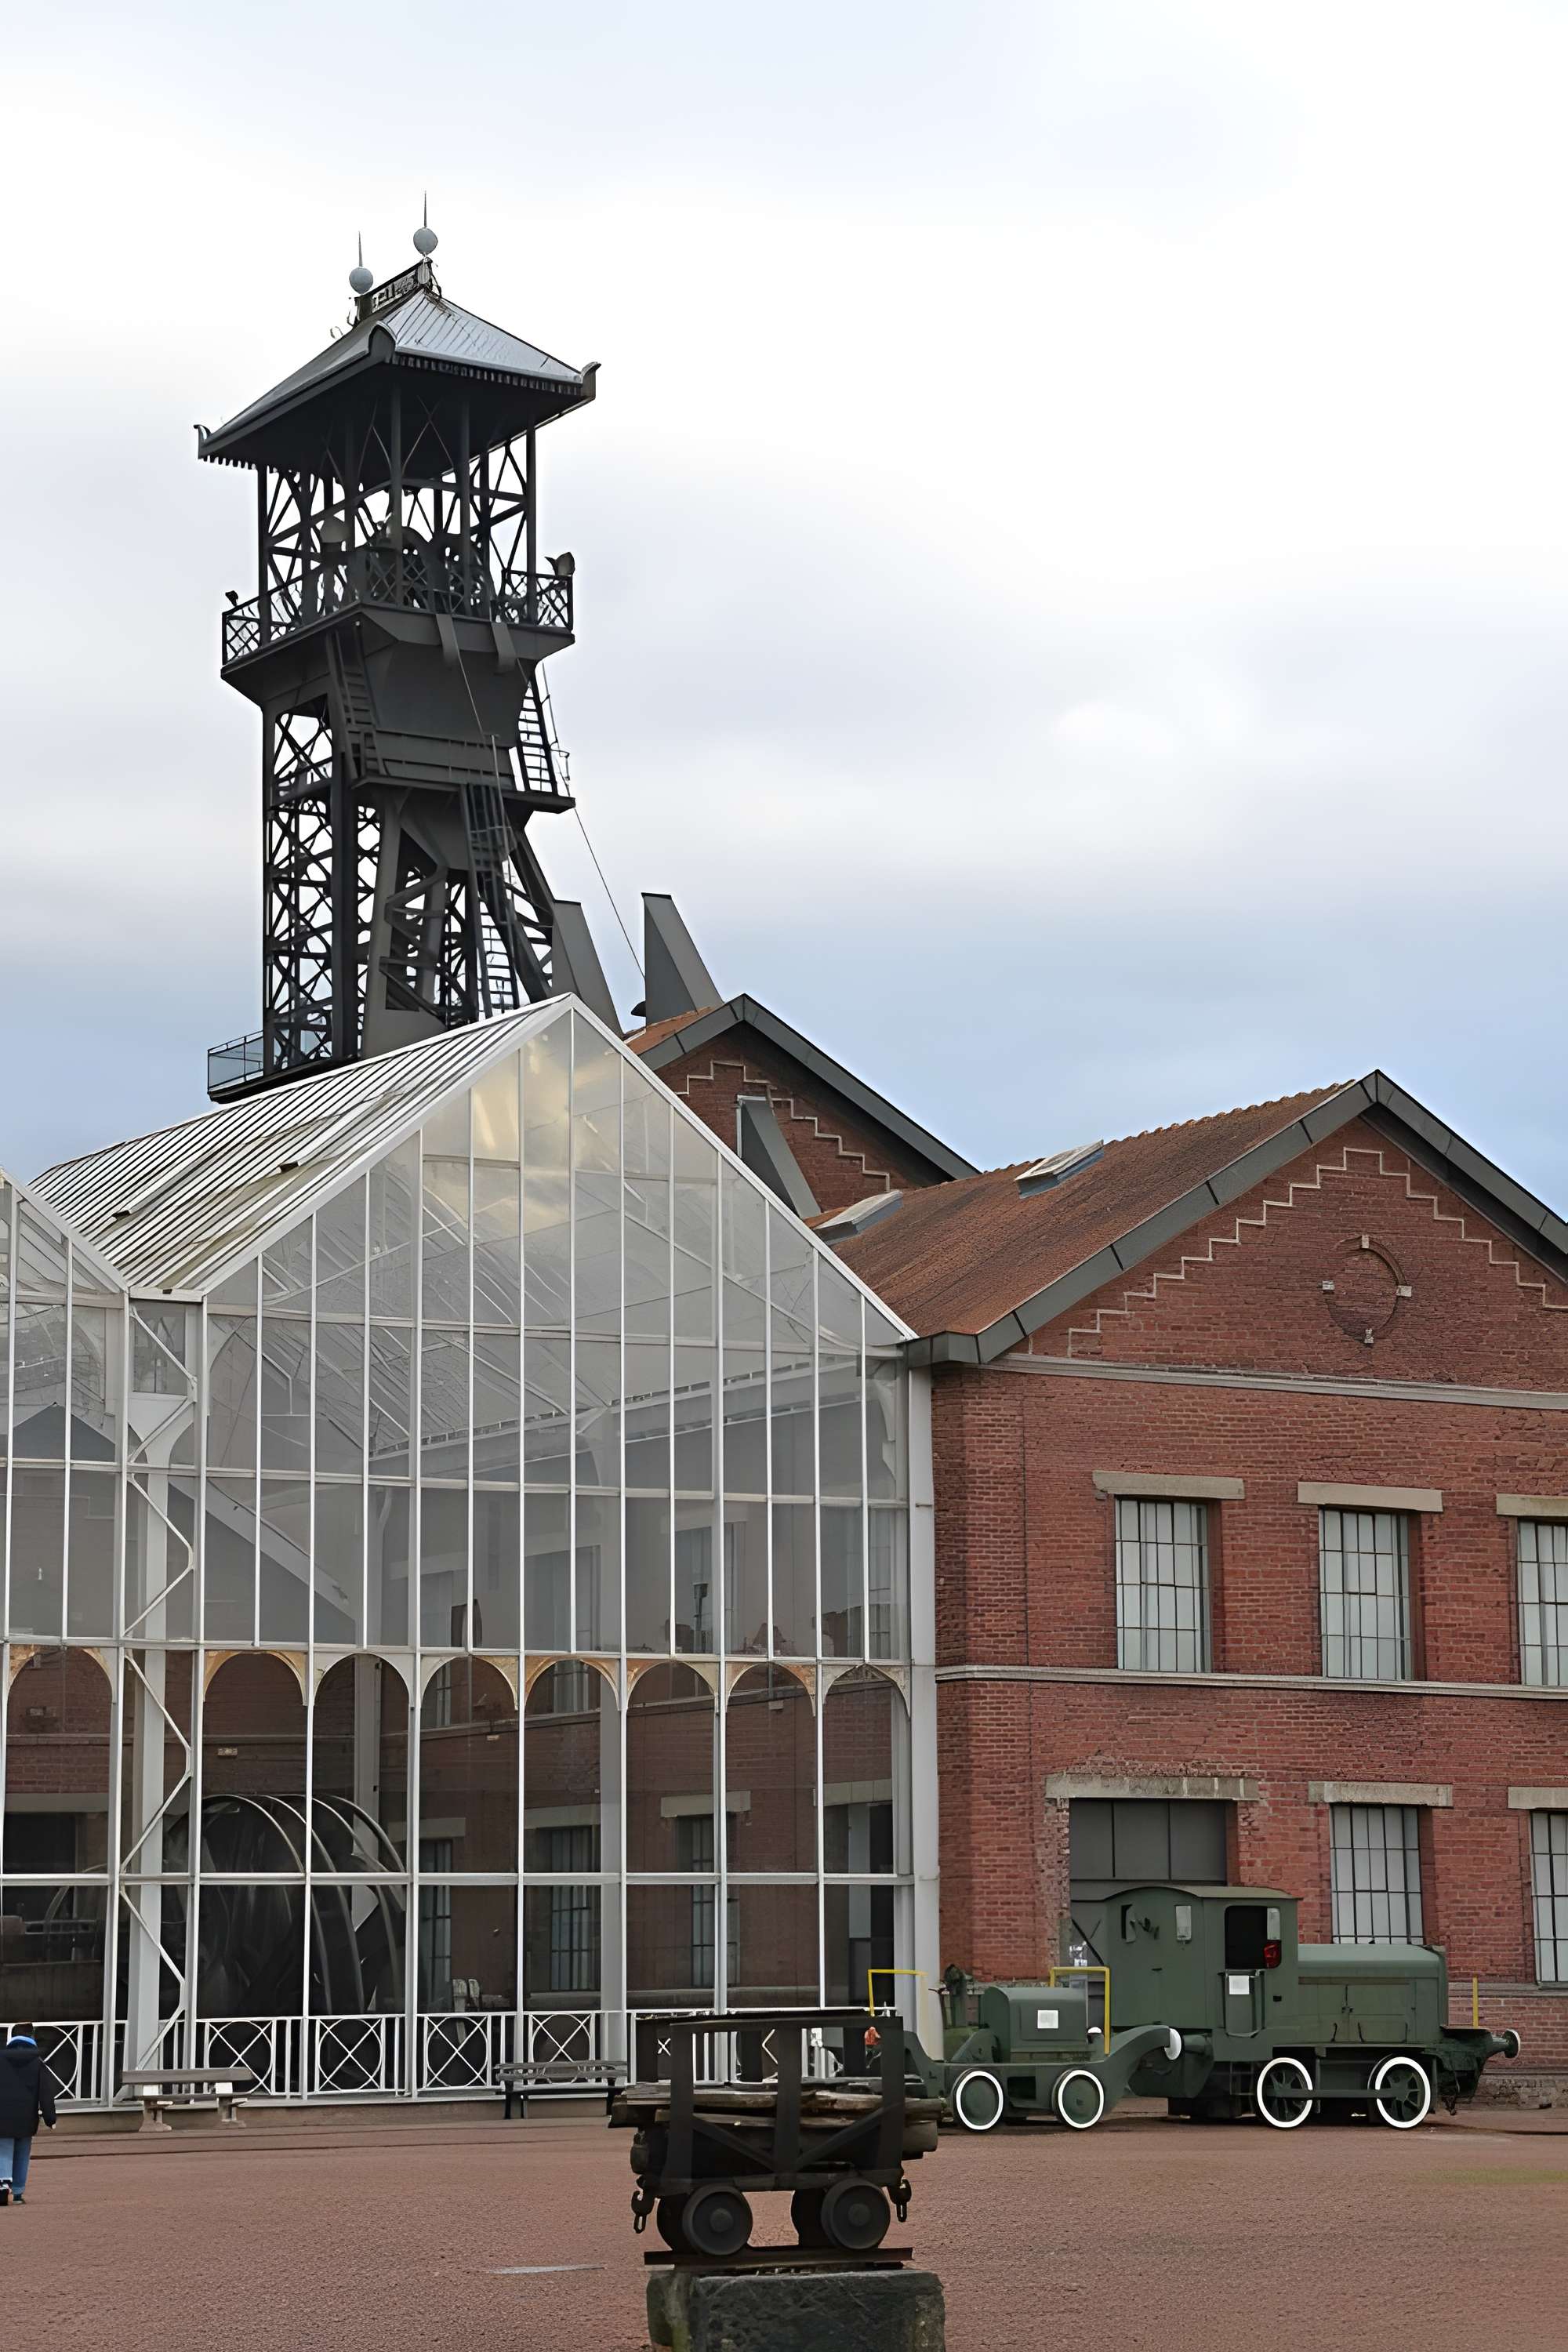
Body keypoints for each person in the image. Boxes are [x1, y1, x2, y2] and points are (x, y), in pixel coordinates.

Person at [0, 2023, 58, 2206]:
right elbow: (46, 2093)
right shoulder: (38, 2062)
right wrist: (50, 2118)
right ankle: (17, 2193)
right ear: (32, 2037)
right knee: (22, 2154)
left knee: (4, 2150)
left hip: (2, 2117)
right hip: (26, 2118)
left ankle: (3, 2185)